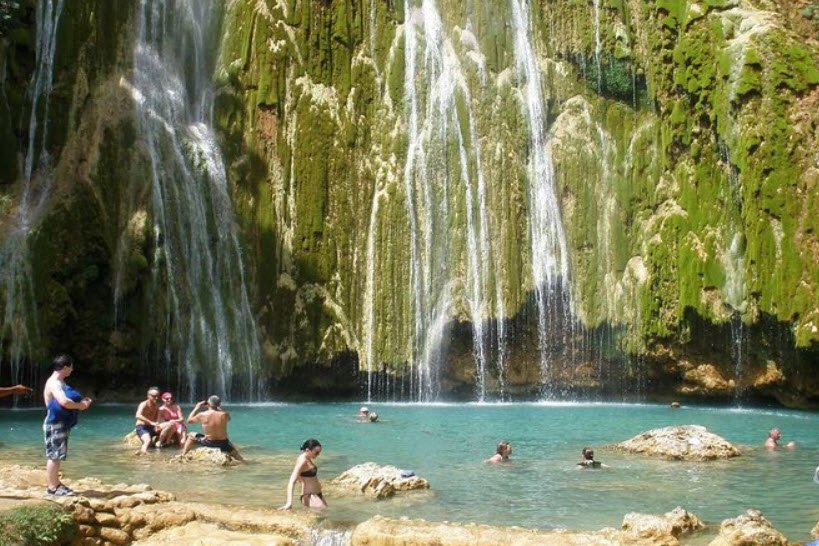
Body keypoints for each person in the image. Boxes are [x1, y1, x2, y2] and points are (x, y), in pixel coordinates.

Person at [42, 354, 93, 496]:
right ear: (65, 367)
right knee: (54, 455)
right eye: (71, 367)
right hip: (54, 423)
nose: (72, 370)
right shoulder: (54, 383)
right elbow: (64, 401)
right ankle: (53, 487)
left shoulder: (59, 382)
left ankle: (55, 484)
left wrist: (81, 402)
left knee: (57, 454)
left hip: (59, 422)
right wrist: (81, 406)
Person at [181, 395, 243, 461]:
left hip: (209, 443)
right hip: (223, 444)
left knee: (191, 435)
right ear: (219, 404)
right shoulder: (225, 414)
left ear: (208, 404)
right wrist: (218, 407)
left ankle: (183, 455)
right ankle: (242, 461)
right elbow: (229, 419)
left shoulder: (202, 415)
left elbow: (189, 421)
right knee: (238, 456)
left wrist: (196, 408)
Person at [280, 439, 326, 510]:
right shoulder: (302, 461)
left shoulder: (308, 458)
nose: (318, 454)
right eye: (316, 453)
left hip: (317, 494)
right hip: (310, 496)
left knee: (326, 513)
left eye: (319, 452)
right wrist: (289, 502)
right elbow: (292, 481)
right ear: (308, 450)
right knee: (323, 513)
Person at [134, 387, 162, 454]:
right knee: (147, 440)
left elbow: (158, 419)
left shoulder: (157, 406)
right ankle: (143, 452)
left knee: (169, 426)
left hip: (152, 427)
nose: (156, 398)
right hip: (142, 427)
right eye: (154, 396)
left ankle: (160, 445)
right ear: (148, 395)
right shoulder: (143, 404)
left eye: (157, 396)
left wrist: (157, 425)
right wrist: (150, 422)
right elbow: (138, 415)